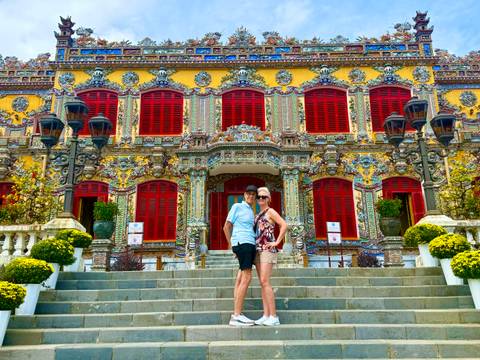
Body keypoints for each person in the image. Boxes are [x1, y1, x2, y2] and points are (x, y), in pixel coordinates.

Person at [223, 184, 258, 326]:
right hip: (243, 242)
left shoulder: (250, 210)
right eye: (249, 194)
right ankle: (236, 315)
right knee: (247, 277)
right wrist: (231, 245)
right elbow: (226, 226)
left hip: (248, 243)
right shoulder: (237, 206)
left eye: (253, 195)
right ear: (244, 195)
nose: (251, 196)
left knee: (240, 278)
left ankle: (237, 313)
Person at [253, 187, 287, 326]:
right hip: (258, 250)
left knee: (265, 281)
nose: (261, 199)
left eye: (264, 197)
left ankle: (273, 315)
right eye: (259, 197)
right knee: (262, 283)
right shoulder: (258, 214)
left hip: (268, 249)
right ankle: (266, 315)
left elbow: (284, 225)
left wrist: (277, 242)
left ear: (268, 198)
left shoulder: (270, 211)